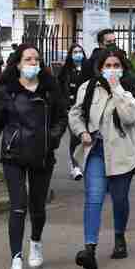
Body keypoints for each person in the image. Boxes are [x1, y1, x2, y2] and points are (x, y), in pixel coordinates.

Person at [0, 44, 68, 269]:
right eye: (28, 59)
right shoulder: (6, 90)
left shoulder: (50, 89)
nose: (33, 64)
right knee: (18, 206)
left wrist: (53, 138)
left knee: (37, 206)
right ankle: (16, 260)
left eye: (36, 60)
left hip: (42, 155)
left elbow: (62, 117)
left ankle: (36, 241)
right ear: (18, 63)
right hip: (13, 155)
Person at [69, 49, 135, 269]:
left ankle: (119, 237)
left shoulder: (131, 89)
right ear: (100, 67)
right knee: (94, 198)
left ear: (122, 67)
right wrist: (81, 131)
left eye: (116, 65)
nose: (112, 70)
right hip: (96, 150)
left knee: (120, 200)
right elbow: (75, 114)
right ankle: (89, 249)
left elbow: (131, 116)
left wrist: (117, 89)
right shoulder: (88, 88)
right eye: (108, 66)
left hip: (121, 153)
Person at [58, 43, 88, 180]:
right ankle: (75, 166)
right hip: (70, 110)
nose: (78, 54)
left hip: (85, 110)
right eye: (75, 52)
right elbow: (59, 90)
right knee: (75, 137)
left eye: (80, 51)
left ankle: (85, 163)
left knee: (87, 138)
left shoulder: (88, 70)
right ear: (70, 54)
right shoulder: (65, 71)